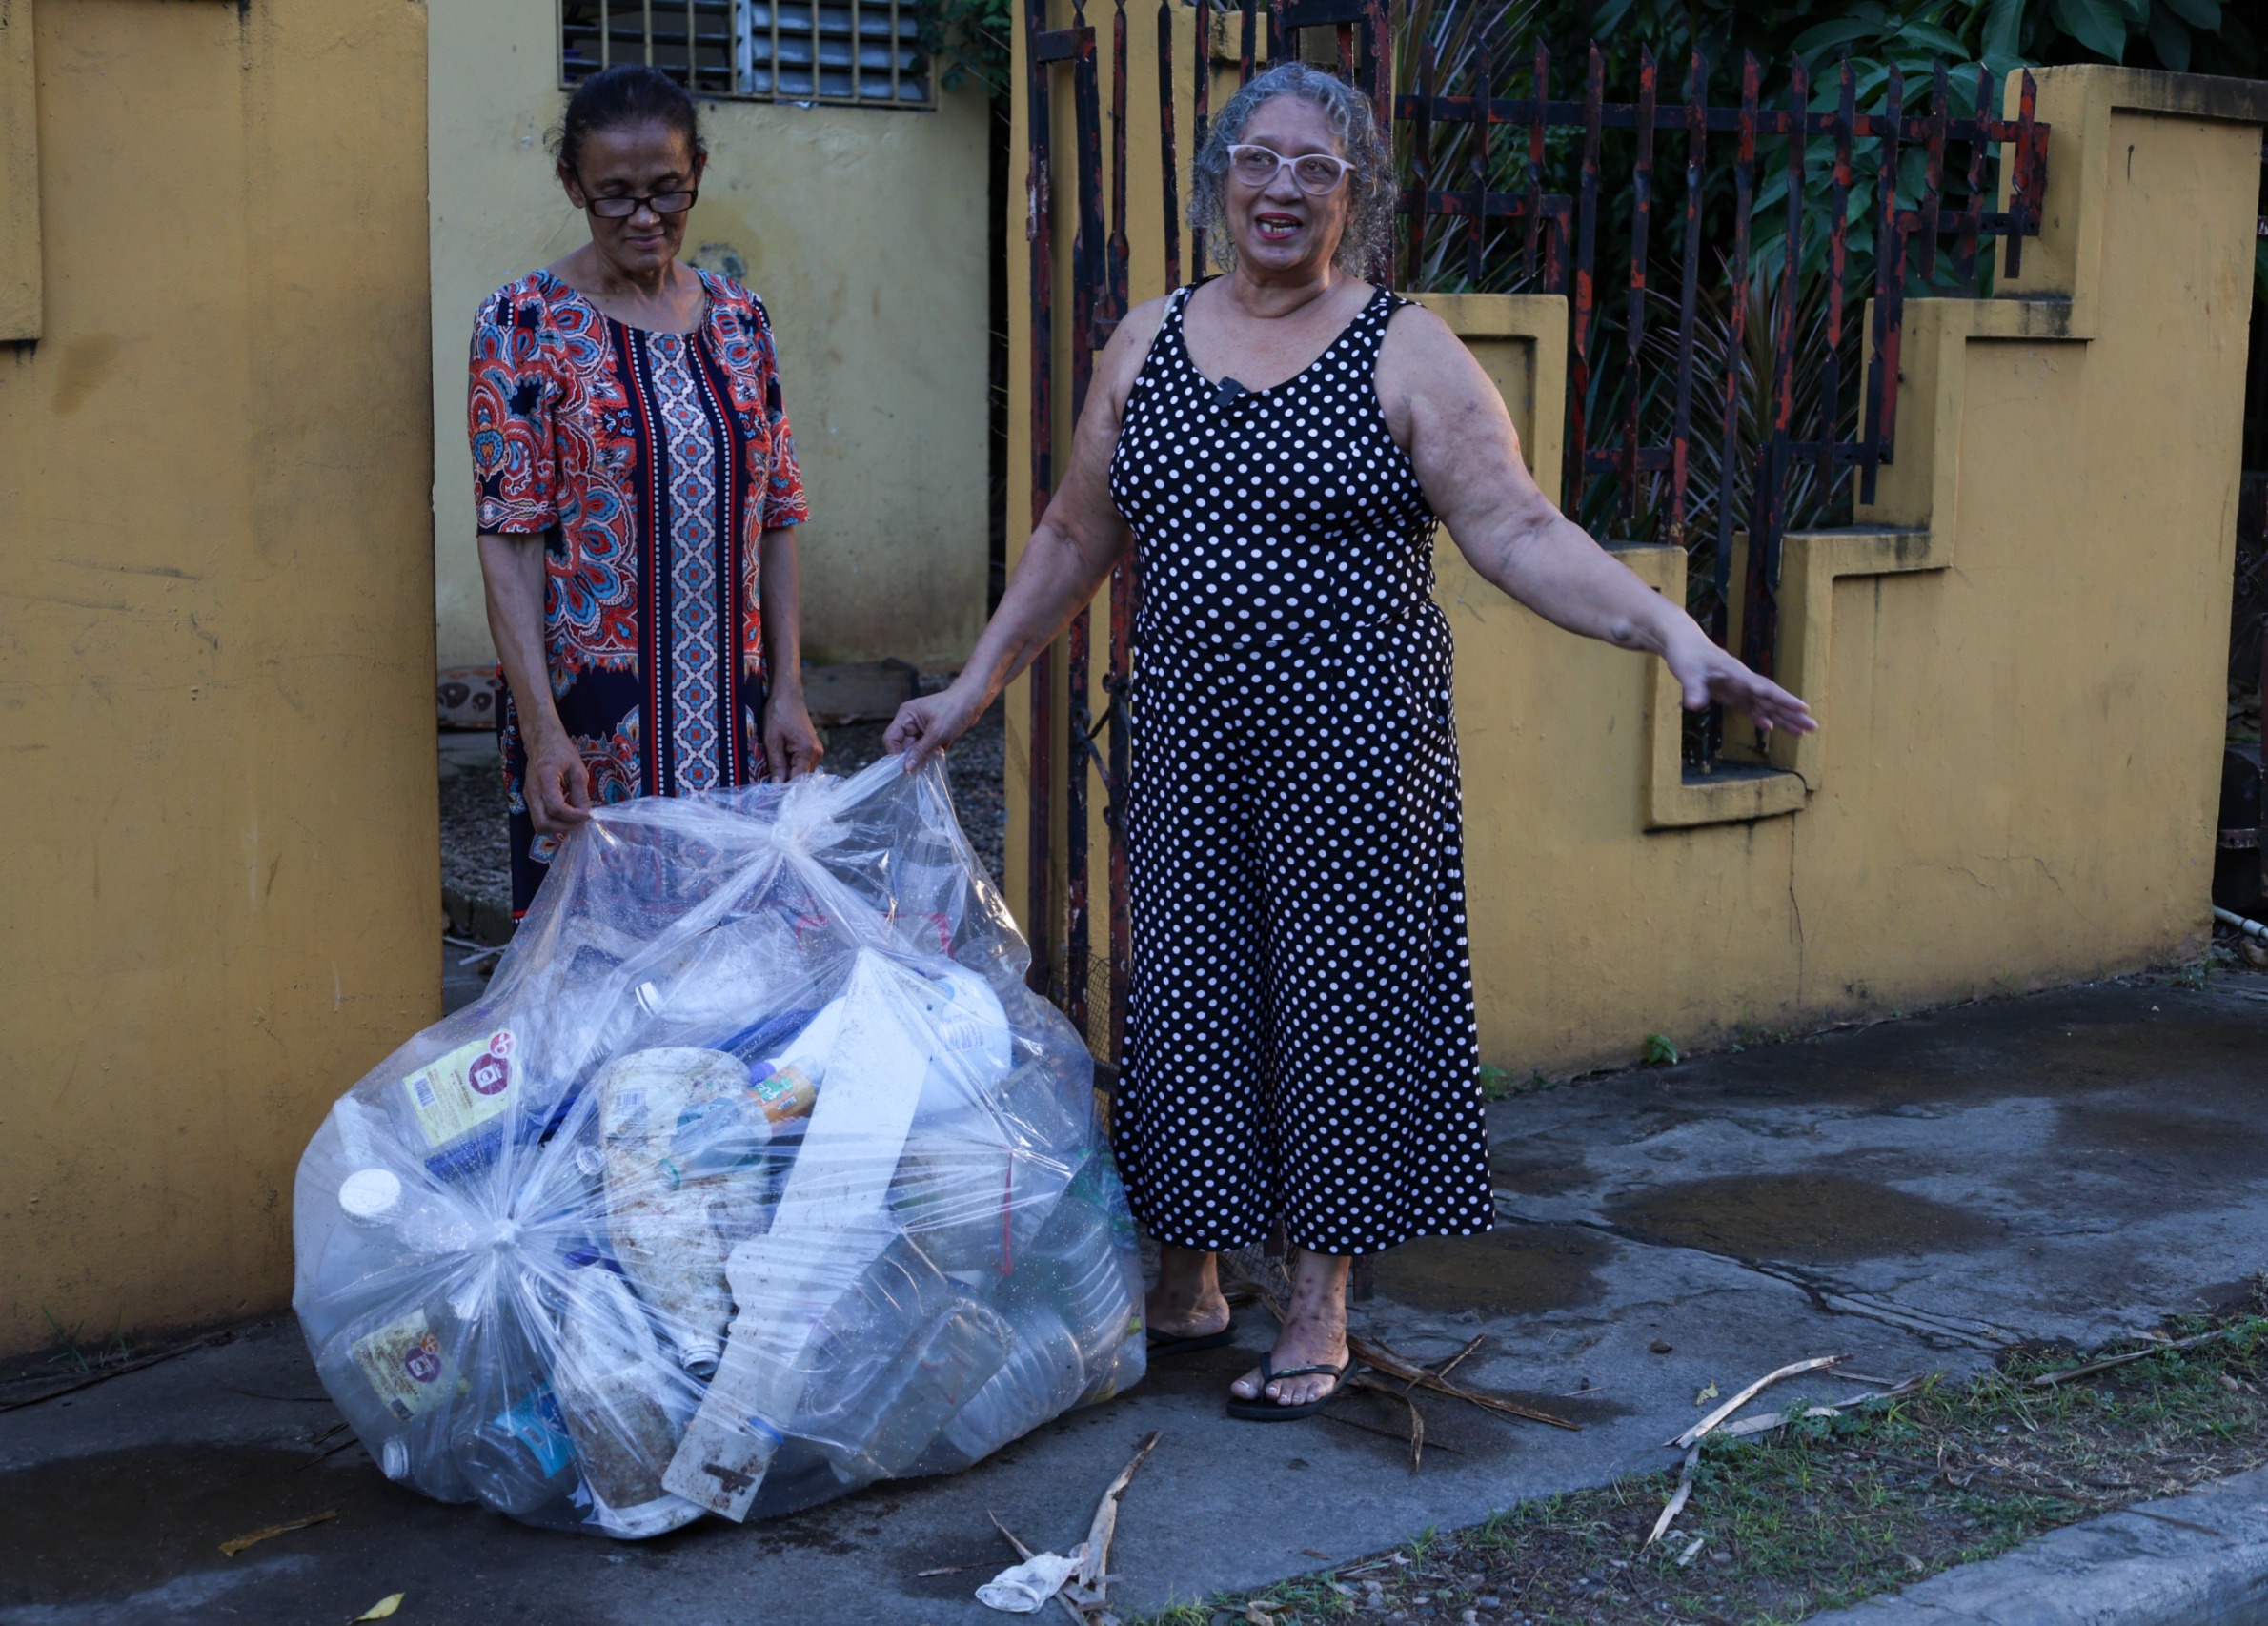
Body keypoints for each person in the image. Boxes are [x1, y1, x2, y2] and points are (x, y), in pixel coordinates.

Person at [886, 60, 1815, 1418]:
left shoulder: (1402, 348)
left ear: (1356, 195)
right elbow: (1078, 532)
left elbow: (1519, 530)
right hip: (1191, 731)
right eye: (1258, 160)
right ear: (1219, 181)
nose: (1281, 189)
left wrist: (1666, 630)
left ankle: (1318, 1300)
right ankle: (1191, 1278)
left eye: (1315, 169)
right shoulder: (1146, 339)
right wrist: (975, 682)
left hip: (1354, 741)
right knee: (1188, 1000)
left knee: (1333, 1006)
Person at [469, 65, 822, 920]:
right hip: (592, 727)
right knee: (600, 983)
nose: (644, 219)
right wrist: (542, 729)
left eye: (669, 191)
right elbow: (509, 541)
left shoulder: (743, 320)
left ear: (697, 168)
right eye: (614, 196)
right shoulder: (522, 322)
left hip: (736, 724)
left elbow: (777, 518)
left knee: (741, 974)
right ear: (571, 186)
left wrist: (787, 688)